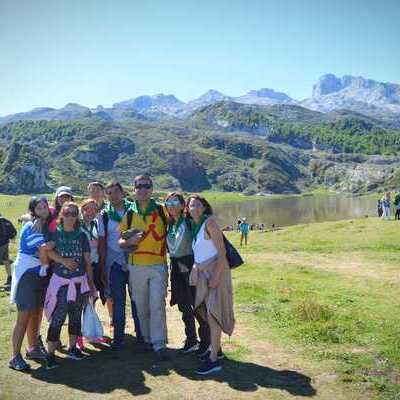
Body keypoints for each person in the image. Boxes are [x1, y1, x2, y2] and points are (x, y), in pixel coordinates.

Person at [119, 175, 169, 361]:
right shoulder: (129, 213)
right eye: (139, 186)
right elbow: (121, 240)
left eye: (146, 186)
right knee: (141, 306)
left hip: (158, 265)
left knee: (157, 304)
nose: (142, 189)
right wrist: (128, 241)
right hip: (136, 266)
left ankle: (159, 343)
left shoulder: (162, 210)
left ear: (152, 188)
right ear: (134, 189)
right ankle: (147, 339)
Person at [44, 202, 95, 369]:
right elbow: (47, 251)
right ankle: (50, 354)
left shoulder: (81, 235)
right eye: (67, 213)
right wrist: (63, 261)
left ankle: (73, 348)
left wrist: (91, 284)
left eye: (74, 213)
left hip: (79, 282)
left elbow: (87, 262)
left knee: (75, 316)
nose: (70, 216)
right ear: (61, 215)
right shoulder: (55, 234)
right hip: (61, 283)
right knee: (58, 317)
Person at [187, 195, 235, 375]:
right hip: (203, 275)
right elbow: (204, 252)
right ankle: (215, 351)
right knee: (209, 314)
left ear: (205, 207)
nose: (195, 208)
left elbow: (222, 253)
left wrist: (216, 277)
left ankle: (213, 359)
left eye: (199, 205)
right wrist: (196, 267)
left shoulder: (210, 223)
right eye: (192, 205)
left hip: (216, 274)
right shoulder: (197, 226)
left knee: (214, 315)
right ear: (188, 209)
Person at [9, 197, 52, 371]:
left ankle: (32, 348)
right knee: (24, 316)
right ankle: (14, 356)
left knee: (36, 313)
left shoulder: (41, 224)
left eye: (45, 207)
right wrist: (52, 247)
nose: (43, 210)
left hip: (38, 275)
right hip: (28, 275)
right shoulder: (31, 226)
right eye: (39, 208)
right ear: (33, 210)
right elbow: (42, 253)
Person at [165, 192, 210, 355]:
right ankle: (191, 339)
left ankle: (207, 342)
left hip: (191, 265)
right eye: (168, 203)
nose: (171, 206)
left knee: (198, 304)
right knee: (184, 305)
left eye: (175, 202)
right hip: (176, 267)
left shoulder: (190, 222)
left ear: (183, 205)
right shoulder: (169, 224)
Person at [98, 181, 141, 349]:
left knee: (136, 298)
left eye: (115, 192)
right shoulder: (105, 214)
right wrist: (103, 266)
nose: (112, 196)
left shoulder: (134, 210)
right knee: (118, 300)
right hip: (114, 262)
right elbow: (102, 241)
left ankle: (141, 334)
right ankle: (118, 337)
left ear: (123, 193)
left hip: (133, 259)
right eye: (109, 193)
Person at [78, 199, 111, 348]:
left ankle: (89, 332)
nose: (91, 212)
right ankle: (78, 336)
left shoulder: (96, 225)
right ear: (82, 210)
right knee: (79, 302)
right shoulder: (76, 226)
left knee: (92, 299)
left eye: (94, 210)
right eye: (88, 209)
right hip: (81, 268)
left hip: (95, 266)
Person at [0, 212, 17, 289]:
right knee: (6, 260)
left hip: (1, 244)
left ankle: (10, 278)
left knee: (5, 260)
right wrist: (12, 237)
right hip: (5, 243)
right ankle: (10, 277)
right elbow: (14, 231)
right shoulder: (6, 221)